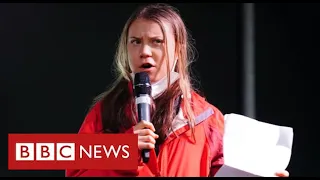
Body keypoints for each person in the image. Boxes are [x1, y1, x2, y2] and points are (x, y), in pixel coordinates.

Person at [65, 3, 290, 177]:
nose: (144, 51)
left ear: (178, 49)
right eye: (135, 41)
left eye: (157, 41)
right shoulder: (104, 113)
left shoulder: (207, 120)